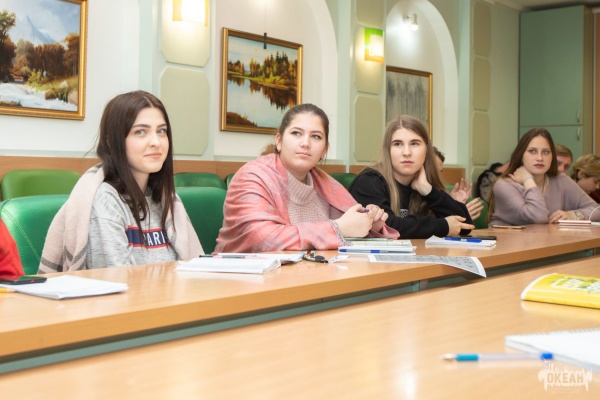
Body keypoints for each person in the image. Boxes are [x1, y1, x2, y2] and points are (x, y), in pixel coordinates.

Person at [39, 91, 202, 272]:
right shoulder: (106, 200)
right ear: (112, 141)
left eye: (161, 131)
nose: (156, 142)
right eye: (140, 132)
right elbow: (118, 281)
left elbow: (193, 271)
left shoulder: (168, 199)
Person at [214, 103, 399, 253]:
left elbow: (350, 228)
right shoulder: (252, 177)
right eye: (296, 133)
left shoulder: (326, 184)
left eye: (316, 136)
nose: (305, 143)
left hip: (307, 277)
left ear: (324, 150)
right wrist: (338, 228)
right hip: (242, 280)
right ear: (279, 141)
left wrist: (370, 224)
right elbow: (261, 239)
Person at [349, 115, 474, 239]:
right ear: (388, 151)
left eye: (414, 143)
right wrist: (442, 226)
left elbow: (465, 225)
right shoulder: (369, 181)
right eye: (398, 144)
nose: (407, 152)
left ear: (426, 150)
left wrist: (428, 191)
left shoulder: (424, 184)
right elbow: (388, 227)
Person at [488, 128, 599, 227]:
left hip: (547, 242)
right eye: (532, 151)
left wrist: (573, 215)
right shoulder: (504, 185)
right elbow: (538, 217)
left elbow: (597, 210)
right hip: (508, 243)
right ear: (521, 156)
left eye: (546, 152)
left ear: (552, 157)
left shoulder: (560, 179)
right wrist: (528, 179)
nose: (540, 158)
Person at [433, 146, 483, 221]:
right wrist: (459, 216)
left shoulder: (440, 193)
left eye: (440, 172)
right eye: (434, 172)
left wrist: (454, 205)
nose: (439, 178)